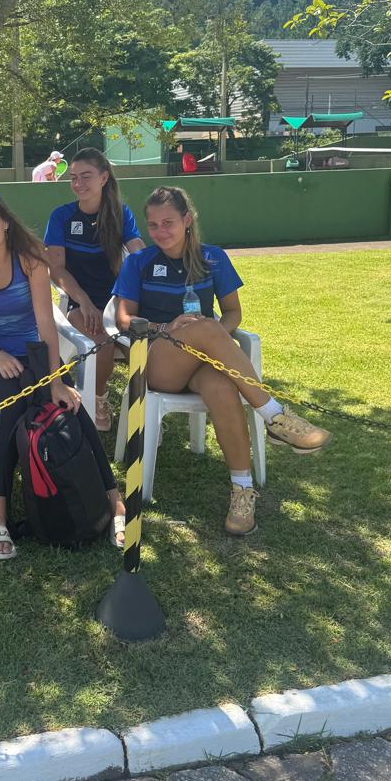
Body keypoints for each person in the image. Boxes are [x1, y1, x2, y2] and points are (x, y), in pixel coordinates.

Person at [114, 186, 332, 537]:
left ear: (187, 220)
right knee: (204, 327)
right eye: (152, 225)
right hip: (158, 361)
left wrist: (213, 335)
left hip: (202, 362)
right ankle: (274, 416)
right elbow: (124, 318)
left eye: (168, 222)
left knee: (221, 386)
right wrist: (168, 327)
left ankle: (242, 491)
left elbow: (232, 314)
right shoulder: (139, 262)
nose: (159, 231)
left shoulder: (213, 258)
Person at [0, 192, 127, 559]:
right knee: (16, 402)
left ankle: (113, 499)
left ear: (5, 223)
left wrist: (56, 379)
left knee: (70, 402)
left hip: (36, 356)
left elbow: (46, 323)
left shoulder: (30, 260)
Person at [44, 148, 144, 431]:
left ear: (103, 178)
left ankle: (144, 409)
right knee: (103, 342)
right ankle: (97, 397)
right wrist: (85, 301)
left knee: (149, 342)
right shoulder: (62, 216)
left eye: (86, 176)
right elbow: (56, 269)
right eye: (73, 177)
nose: (78, 183)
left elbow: (139, 256)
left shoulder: (121, 214)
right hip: (79, 303)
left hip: (118, 305)